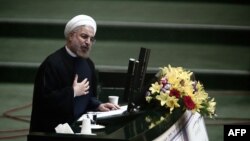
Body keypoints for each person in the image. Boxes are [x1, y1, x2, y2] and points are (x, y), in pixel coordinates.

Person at [29, 14, 120, 133]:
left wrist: (97, 105)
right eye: (84, 36)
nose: (88, 42)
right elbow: (45, 101)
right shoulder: (52, 64)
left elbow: (88, 97)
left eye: (91, 39)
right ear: (71, 36)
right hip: (52, 131)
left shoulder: (88, 64)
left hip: (79, 127)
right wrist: (73, 92)